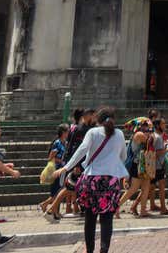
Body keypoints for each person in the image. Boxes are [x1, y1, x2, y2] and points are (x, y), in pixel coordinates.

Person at [53, 107, 127, 253]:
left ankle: (90, 250)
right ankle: (104, 249)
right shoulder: (119, 134)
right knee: (107, 219)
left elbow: (82, 150)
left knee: (90, 218)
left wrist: (66, 167)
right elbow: (123, 157)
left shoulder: (92, 132)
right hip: (111, 181)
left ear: (97, 119)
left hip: (92, 180)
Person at [47, 109, 95, 220]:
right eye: (93, 115)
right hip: (79, 164)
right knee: (69, 188)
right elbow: (76, 148)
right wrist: (76, 165)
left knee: (71, 187)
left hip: (82, 163)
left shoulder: (81, 129)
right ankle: (52, 208)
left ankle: (54, 208)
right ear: (87, 116)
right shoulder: (81, 129)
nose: (94, 117)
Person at [118, 119, 153, 217]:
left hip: (144, 164)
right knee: (133, 189)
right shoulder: (139, 135)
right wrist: (151, 129)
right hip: (137, 164)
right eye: (144, 125)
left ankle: (143, 210)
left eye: (147, 125)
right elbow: (150, 140)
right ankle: (116, 207)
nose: (146, 127)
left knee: (146, 187)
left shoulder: (143, 134)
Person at [40, 124, 69, 218]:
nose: (68, 133)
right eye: (67, 131)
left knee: (59, 190)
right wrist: (61, 161)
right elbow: (50, 157)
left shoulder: (64, 142)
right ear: (63, 133)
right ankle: (48, 207)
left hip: (61, 170)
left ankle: (52, 209)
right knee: (57, 191)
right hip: (56, 170)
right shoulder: (58, 143)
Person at [149, 118, 168, 215]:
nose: (165, 126)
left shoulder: (154, 135)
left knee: (150, 188)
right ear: (158, 126)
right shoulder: (157, 137)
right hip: (158, 166)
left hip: (154, 166)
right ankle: (163, 208)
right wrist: (167, 150)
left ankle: (136, 206)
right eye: (163, 124)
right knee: (161, 187)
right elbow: (156, 153)